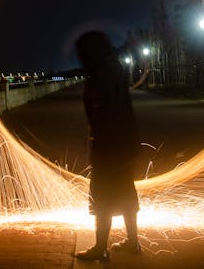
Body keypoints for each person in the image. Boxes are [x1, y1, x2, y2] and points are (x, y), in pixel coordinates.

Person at [74, 30, 141, 262]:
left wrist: (100, 142)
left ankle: (100, 247)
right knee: (125, 193)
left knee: (102, 196)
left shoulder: (101, 74)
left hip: (109, 147)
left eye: (82, 52)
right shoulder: (113, 68)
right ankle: (134, 243)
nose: (80, 58)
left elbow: (104, 112)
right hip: (123, 144)